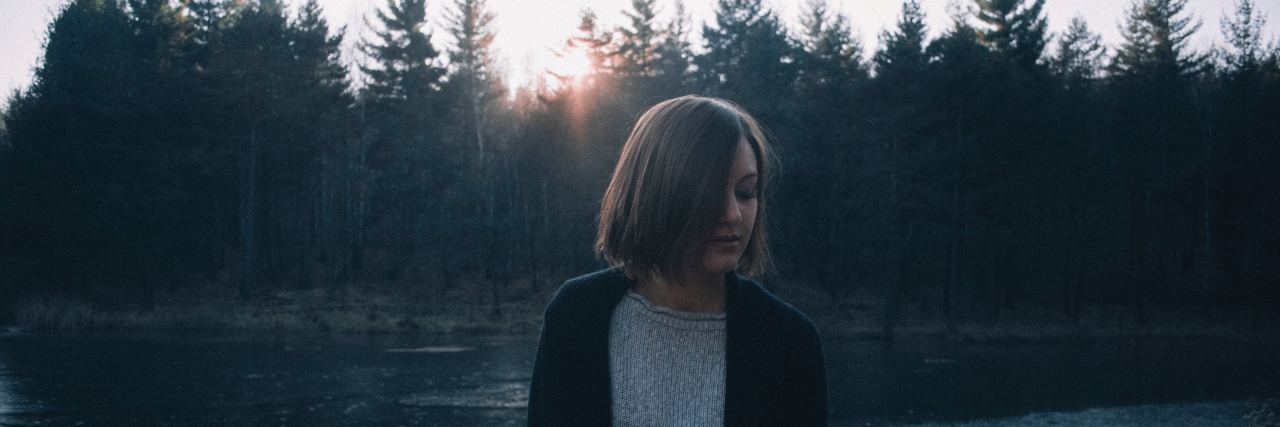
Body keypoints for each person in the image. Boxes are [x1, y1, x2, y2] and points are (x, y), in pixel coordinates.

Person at [527, 95, 827, 426]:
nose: (733, 214)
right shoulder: (577, 315)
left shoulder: (789, 342)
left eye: (746, 193)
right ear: (658, 193)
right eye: (710, 192)